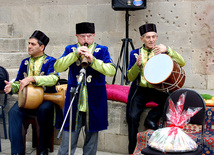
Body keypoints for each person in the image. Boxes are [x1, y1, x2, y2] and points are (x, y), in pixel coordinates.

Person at [55, 22, 116, 155]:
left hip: (94, 101)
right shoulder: (70, 49)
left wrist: (93, 60)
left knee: (91, 143)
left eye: (89, 36)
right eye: (82, 36)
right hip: (74, 100)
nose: (86, 40)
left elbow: (111, 71)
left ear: (94, 35)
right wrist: (75, 55)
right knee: (68, 141)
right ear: (77, 36)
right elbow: (58, 67)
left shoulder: (102, 50)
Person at [126, 23, 185, 154]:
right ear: (142, 39)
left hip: (157, 89)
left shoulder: (161, 50)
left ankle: (151, 119)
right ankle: (132, 150)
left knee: (170, 100)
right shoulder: (135, 53)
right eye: (148, 37)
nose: (151, 40)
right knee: (132, 117)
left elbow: (182, 62)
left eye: (153, 37)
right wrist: (137, 66)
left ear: (157, 37)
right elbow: (130, 77)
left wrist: (168, 50)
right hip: (140, 89)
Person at [4, 30, 61, 155]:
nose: (29, 46)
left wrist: (32, 78)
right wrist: (12, 87)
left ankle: (43, 149)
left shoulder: (51, 61)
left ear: (42, 47)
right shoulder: (25, 62)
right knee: (13, 112)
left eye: (33, 44)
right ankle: (17, 152)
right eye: (29, 43)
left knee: (44, 110)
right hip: (27, 100)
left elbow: (54, 79)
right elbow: (19, 81)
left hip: (45, 99)